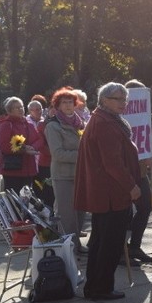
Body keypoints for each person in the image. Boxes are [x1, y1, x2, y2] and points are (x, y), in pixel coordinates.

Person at [74, 82, 141, 300]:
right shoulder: (104, 122)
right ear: (104, 100)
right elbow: (112, 163)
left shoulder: (105, 119)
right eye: (117, 98)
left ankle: (96, 286)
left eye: (125, 99)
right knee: (108, 244)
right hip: (110, 194)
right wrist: (131, 186)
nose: (123, 103)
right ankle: (100, 288)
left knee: (102, 241)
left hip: (107, 193)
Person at [44, 88, 86, 251]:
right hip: (63, 175)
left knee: (81, 211)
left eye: (71, 102)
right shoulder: (53, 126)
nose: (68, 105)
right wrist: (83, 155)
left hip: (81, 173)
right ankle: (68, 247)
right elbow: (58, 154)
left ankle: (77, 245)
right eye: (64, 102)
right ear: (58, 106)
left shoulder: (80, 123)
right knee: (66, 213)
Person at [125, 79, 152, 264]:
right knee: (124, 212)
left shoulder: (143, 115)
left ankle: (134, 246)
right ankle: (121, 249)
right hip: (126, 172)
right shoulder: (120, 117)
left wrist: (148, 155)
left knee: (145, 206)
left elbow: (144, 136)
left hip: (141, 172)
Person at [0, 96, 41, 194]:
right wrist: (24, 148)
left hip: (29, 169)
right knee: (14, 201)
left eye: (22, 107)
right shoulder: (6, 125)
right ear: (9, 111)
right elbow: (4, 145)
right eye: (17, 108)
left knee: (27, 199)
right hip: (13, 171)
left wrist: (33, 147)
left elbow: (38, 139)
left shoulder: (28, 124)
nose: (21, 109)